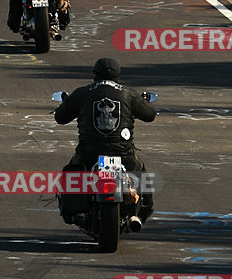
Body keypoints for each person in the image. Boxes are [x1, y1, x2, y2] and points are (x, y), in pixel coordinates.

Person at [54, 57, 156, 230]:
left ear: (95, 74)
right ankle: (139, 214)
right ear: (118, 75)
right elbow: (150, 115)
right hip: (123, 154)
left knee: (70, 173)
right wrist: (143, 102)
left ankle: (71, 212)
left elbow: (60, 117)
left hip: (89, 153)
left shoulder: (82, 92)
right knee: (141, 175)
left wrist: (66, 103)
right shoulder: (129, 94)